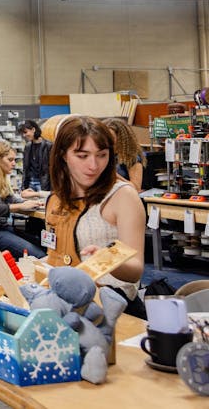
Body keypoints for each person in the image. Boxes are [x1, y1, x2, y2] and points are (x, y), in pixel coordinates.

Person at [45, 116, 146, 316]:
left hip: (112, 307)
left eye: (101, 155)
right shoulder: (57, 199)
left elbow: (136, 269)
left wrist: (107, 260)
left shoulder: (122, 195)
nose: (93, 165)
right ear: (63, 155)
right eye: (82, 156)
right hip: (66, 303)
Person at [102, 118, 146, 191]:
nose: (106, 141)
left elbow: (136, 188)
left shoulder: (132, 158)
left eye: (111, 138)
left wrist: (114, 176)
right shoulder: (104, 155)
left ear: (121, 139)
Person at [17, 119, 52, 194]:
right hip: (30, 183)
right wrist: (23, 187)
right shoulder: (28, 146)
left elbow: (51, 168)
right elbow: (25, 168)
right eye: (22, 133)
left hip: (44, 183)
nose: (24, 135)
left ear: (33, 129)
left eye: (25, 132)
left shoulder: (49, 146)